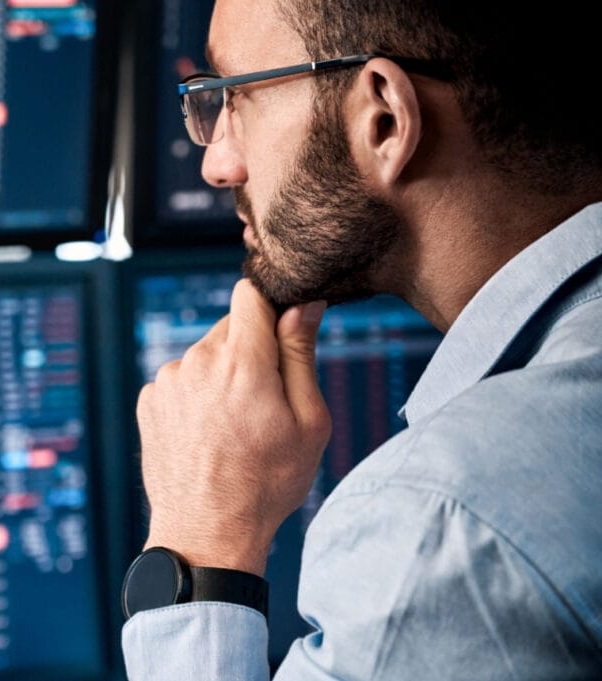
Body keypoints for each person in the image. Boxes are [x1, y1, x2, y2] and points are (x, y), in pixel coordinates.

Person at [120, 0, 602, 678]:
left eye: (232, 98)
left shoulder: (441, 522)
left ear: (385, 119)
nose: (217, 165)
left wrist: (200, 549)